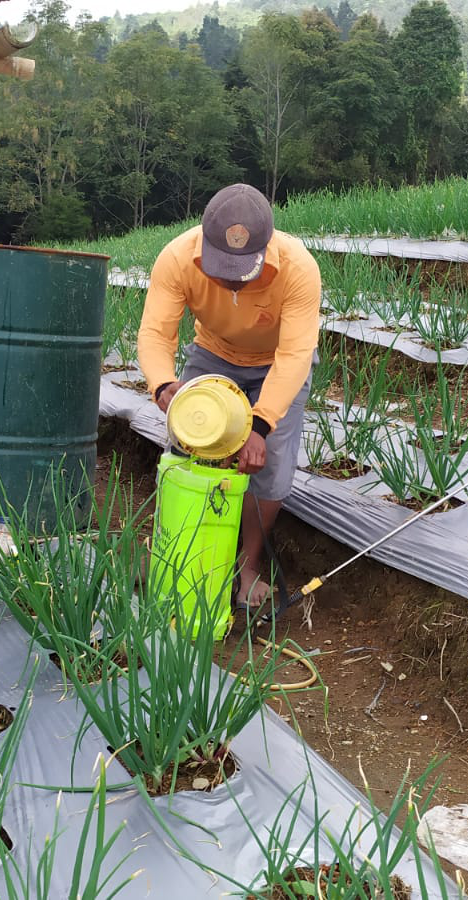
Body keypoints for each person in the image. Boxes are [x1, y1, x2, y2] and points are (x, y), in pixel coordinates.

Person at [138, 183, 322, 612]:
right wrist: (164, 386)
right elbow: (155, 331)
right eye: (222, 267)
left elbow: (295, 355)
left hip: (276, 361)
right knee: (187, 449)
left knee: (270, 463)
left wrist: (260, 425)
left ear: (266, 247)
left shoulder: (298, 268)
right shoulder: (178, 258)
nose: (231, 279)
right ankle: (178, 550)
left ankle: (248, 565)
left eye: (243, 269)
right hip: (214, 354)